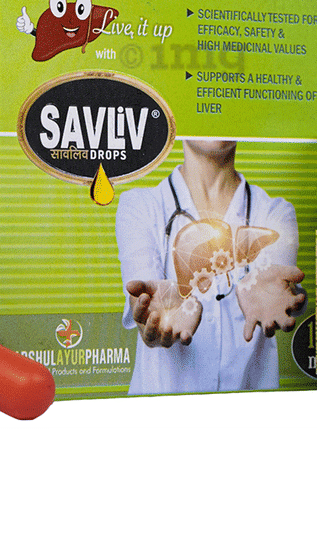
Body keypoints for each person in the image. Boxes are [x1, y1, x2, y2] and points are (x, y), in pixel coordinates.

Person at [116, 139, 306, 395]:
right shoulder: (139, 205)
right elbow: (142, 299)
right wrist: (152, 316)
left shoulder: (276, 213)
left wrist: (278, 295)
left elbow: (281, 288)